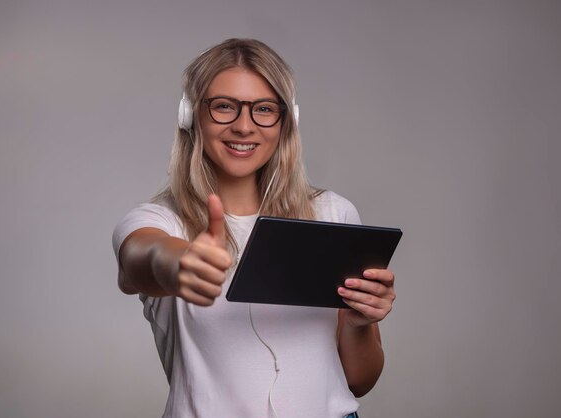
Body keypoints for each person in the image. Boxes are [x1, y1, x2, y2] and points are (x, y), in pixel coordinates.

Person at [112, 38, 396, 418]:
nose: (244, 127)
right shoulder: (160, 219)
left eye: (263, 109)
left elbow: (360, 380)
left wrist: (360, 322)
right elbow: (139, 259)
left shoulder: (333, 214)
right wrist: (179, 264)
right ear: (190, 115)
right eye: (224, 107)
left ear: (285, 120)